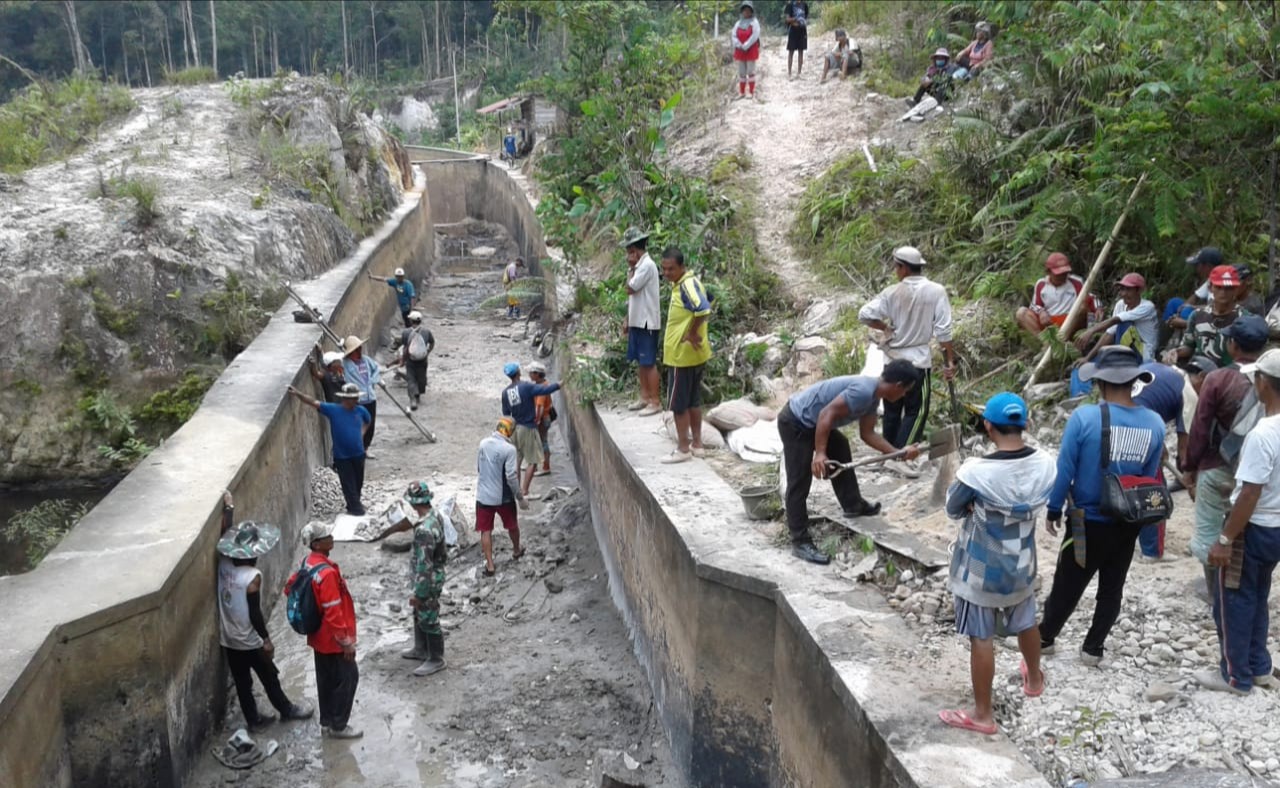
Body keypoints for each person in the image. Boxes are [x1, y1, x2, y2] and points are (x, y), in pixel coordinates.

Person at [938, 392, 1056, 736]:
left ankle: (983, 714)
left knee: (982, 636)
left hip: (982, 570)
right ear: (1026, 425)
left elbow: (953, 508)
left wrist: (975, 506)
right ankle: (1034, 679)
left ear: (988, 426)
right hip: (1021, 563)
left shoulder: (977, 472)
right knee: (1025, 620)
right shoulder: (1046, 464)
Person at [1038, 346, 1165, 666]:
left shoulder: (1085, 417)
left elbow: (1065, 469)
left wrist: (1054, 508)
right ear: (1134, 381)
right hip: (1127, 521)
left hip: (1086, 519)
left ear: (1100, 383)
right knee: (1112, 586)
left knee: (1069, 581)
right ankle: (1093, 648)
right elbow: (1148, 478)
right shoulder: (1155, 423)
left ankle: (1045, 639)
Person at [777, 361, 923, 565]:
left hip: (813, 423)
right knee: (799, 480)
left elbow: (868, 434)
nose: (905, 395)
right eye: (906, 390)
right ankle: (800, 541)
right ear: (898, 385)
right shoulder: (863, 391)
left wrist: (898, 453)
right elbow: (825, 414)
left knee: (841, 446)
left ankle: (853, 504)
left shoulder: (873, 398)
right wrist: (820, 453)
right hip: (795, 421)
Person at [1199, 348, 1280, 695]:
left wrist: (1225, 538)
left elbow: (1249, 494)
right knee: (1257, 594)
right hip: (1276, 527)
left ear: (1264, 384)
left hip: (1254, 526)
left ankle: (1235, 675)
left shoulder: (1263, 434)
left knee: (1232, 599)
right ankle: (1259, 666)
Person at [1183, 316, 1269, 595]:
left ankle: (1215, 591)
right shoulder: (1272, 380)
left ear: (1232, 345)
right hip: (1260, 472)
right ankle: (1246, 584)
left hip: (1216, 466)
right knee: (1248, 525)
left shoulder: (1218, 379)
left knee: (1209, 530)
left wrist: (1189, 467)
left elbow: (1200, 428)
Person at [216, 492, 313, 729]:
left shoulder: (224, 564)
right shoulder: (252, 577)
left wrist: (229, 509)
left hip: (228, 638)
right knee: (270, 676)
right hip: (248, 638)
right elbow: (255, 613)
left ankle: (253, 720)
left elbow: (225, 535)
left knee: (242, 682)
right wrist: (266, 639)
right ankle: (287, 710)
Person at [858, 245, 956, 450]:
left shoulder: (891, 292)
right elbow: (943, 331)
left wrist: (884, 327)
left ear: (903, 268)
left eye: (896, 267)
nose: (896, 272)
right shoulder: (936, 291)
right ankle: (904, 453)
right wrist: (949, 361)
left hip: (893, 360)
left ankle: (890, 451)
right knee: (916, 410)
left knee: (892, 409)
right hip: (918, 359)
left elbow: (864, 314)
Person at [285, 521, 360, 738]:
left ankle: (327, 721)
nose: (332, 537)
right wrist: (345, 641)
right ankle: (339, 726)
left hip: (317, 636)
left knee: (325, 678)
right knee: (349, 677)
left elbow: (290, 587)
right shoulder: (326, 574)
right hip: (332, 639)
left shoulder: (308, 563)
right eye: (327, 535)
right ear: (317, 544)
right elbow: (333, 611)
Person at [384, 481, 449, 677]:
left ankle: (436, 658)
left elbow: (424, 564)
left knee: (428, 617)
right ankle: (421, 648)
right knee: (419, 613)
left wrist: (419, 593)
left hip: (428, 579)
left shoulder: (424, 530)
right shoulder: (434, 514)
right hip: (432, 574)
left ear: (413, 504)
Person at [660, 247, 713, 464]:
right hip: (693, 356)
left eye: (671, 269)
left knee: (679, 405)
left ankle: (683, 448)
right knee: (693, 401)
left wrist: (691, 333)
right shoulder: (686, 283)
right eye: (663, 269)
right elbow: (708, 299)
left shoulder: (686, 285)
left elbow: (703, 308)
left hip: (682, 357)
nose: (666, 273)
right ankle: (697, 444)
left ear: (682, 267)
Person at [1132, 360, 1188, 560]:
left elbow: (1146, 403)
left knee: (1122, 482)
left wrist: (1160, 444)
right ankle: (1152, 551)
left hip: (1108, 419)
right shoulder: (1187, 391)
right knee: (1153, 490)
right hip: (1140, 429)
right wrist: (1188, 476)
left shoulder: (1155, 368)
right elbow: (1184, 445)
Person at [288, 382, 370, 516]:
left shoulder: (361, 411)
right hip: (342, 456)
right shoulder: (333, 410)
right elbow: (313, 402)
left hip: (358, 453)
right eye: (352, 398)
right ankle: (356, 509)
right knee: (348, 482)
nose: (355, 401)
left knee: (358, 481)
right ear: (344, 398)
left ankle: (354, 504)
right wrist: (297, 394)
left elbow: (368, 421)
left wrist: (362, 433)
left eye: (356, 398)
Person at [500, 361, 562, 495]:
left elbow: (506, 414)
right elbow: (545, 389)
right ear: (518, 373)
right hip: (528, 427)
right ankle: (525, 490)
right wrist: (559, 385)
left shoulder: (505, 393)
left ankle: (516, 491)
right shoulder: (526, 387)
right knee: (533, 462)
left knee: (517, 460)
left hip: (515, 429)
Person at [476, 417, 528, 576]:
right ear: (510, 432)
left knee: (485, 531)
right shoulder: (509, 449)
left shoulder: (483, 443)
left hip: (483, 496)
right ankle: (517, 550)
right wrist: (520, 498)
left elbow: (479, 468)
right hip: (503, 497)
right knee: (512, 525)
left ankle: (490, 566)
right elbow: (511, 476)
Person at [622, 227, 662, 417]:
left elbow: (630, 289)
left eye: (630, 252)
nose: (629, 256)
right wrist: (627, 319)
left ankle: (655, 401)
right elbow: (633, 298)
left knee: (648, 362)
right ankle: (644, 397)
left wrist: (630, 268)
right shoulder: (639, 267)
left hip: (647, 322)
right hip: (637, 320)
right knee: (640, 361)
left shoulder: (646, 266)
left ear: (635, 250)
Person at [1015, 253, 1103, 339]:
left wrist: (1098, 308)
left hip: (1070, 322)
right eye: (1058, 274)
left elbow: (1090, 297)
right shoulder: (1041, 284)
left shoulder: (1076, 282)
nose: (1062, 276)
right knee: (1021, 313)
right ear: (1048, 272)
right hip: (1050, 324)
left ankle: (1065, 340)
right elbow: (1034, 305)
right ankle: (1045, 343)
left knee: (1082, 308)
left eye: (1064, 273)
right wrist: (1041, 312)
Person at [1074, 273, 1158, 363]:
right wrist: (1088, 358)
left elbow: (1116, 320)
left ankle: (1119, 362)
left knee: (1124, 324)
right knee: (1099, 356)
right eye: (1122, 289)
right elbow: (1109, 333)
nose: (1124, 294)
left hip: (1145, 355)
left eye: (1128, 290)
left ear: (1138, 291)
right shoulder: (1120, 304)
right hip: (1128, 350)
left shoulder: (1147, 306)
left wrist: (1091, 330)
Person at [1175, 265, 1242, 367]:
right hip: (1199, 371)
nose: (1223, 292)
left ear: (1236, 290)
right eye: (1219, 287)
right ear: (1210, 288)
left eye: (1228, 288)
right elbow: (1188, 346)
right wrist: (1175, 353)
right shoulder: (1197, 315)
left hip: (1229, 374)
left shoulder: (1243, 319)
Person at [341, 335, 380, 455]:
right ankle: (356, 448)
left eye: (359, 348)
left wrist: (373, 380)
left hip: (370, 398)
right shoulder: (346, 364)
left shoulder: (366, 360)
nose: (359, 351)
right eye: (356, 350)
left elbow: (376, 369)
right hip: (357, 400)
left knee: (370, 424)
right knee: (357, 425)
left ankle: (365, 448)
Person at [399, 310, 435, 412]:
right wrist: (427, 352)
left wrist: (403, 360)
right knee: (421, 378)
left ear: (411, 321)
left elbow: (405, 347)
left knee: (411, 379)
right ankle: (417, 395)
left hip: (411, 360)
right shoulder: (426, 332)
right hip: (423, 360)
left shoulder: (406, 332)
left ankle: (413, 400)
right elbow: (432, 343)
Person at [732, 0, 761, 100]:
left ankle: (751, 92)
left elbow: (755, 35)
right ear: (742, 11)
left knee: (750, 70)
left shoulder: (754, 22)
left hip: (751, 49)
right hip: (740, 50)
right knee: (742, 71)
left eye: (748, 10)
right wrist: (739, 44)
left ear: (751, 11)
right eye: (744, 10)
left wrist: (746, 45)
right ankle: (741, 92)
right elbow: (734, 35)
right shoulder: (738, 23)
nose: (746, 12)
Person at [529, 362, 555, 476]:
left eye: (531, 372)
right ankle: (535, 465)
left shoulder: (541, 388)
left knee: (542, 442)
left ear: (536, 374)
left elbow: (539, 406)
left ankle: (545, 467)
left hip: (543, 418)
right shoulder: (543, 384)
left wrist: (537, 420)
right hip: (546, 417)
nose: (529, 374)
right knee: (539, 441)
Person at [783, 0, 808, 79]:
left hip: (802, 30)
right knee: (791, 51)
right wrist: (796, 19)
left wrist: (800, 20)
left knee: (801, 51)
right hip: (793, 30)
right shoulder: (790, 5)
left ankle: (799, 73)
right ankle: (789, 73)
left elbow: (805, 17)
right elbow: (787, 19)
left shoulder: (805, 5)